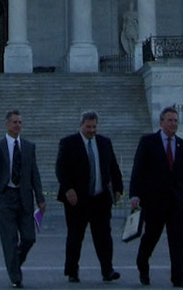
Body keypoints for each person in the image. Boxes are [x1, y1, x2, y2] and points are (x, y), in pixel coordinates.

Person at [128, 106, 183, 288]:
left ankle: (178, 277)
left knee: (180, 241)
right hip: (154, 202)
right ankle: (142, 265)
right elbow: (138, 171)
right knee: (151, 237)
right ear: (161, 122)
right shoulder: (148, 142)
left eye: (175, 120)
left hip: (178, 202)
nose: (173, 124)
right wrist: (134, 195)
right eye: (170, 120)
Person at [56, 110, 124, 284]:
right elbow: (61, 169)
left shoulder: (104, 142)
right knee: (75, 236)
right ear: (81, 126)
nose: (92, 130)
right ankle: (72, 271)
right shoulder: (68, 143)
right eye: (88, 127)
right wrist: (68, 189)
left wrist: (118, 189)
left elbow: (114, 167)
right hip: (77, 199)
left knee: (104, 237)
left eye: (94, 126)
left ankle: (107, 270)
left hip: (100, 198)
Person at [0, 108, 45, 289]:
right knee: (9, 239)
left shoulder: (29, 147)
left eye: (20, 122)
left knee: (29, 238)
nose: (18, 125)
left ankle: (14, 263)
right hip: (6, 197)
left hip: (25, 197)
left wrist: (40, 197)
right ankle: (15, 276)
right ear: (7, 124)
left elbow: (34, 173)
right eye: (14, 122)